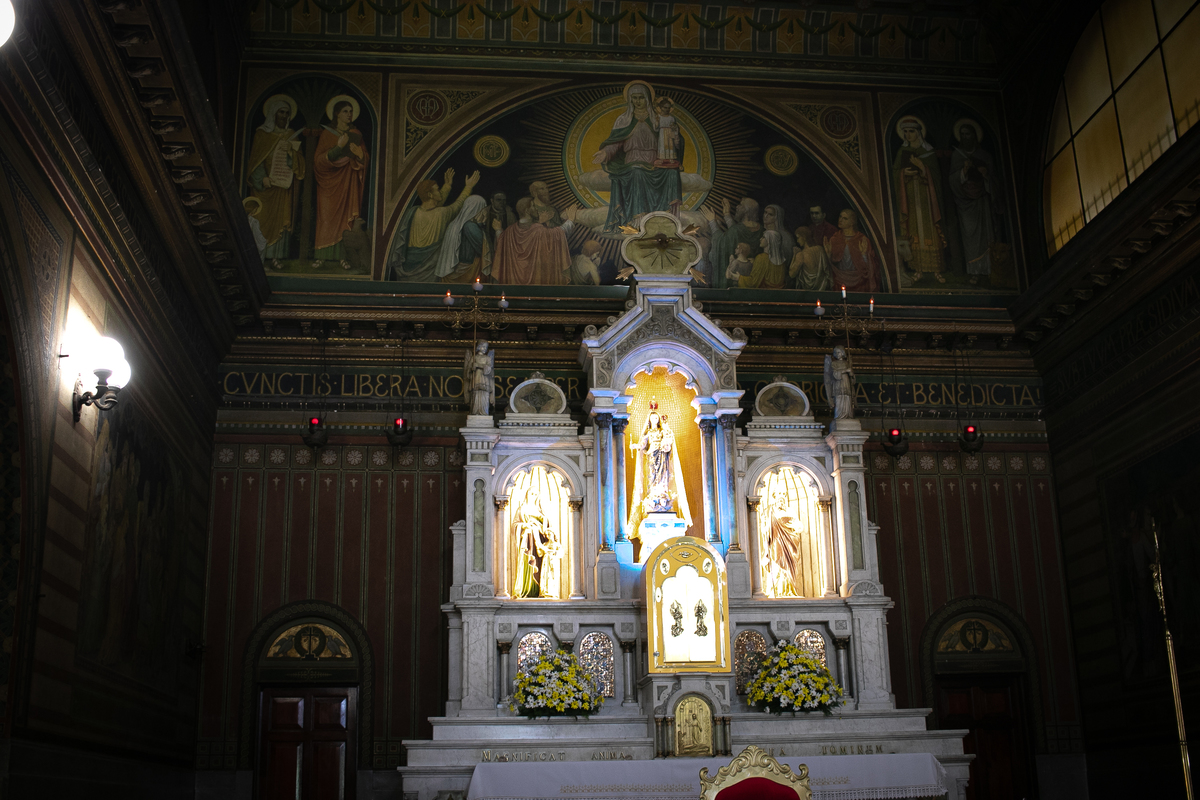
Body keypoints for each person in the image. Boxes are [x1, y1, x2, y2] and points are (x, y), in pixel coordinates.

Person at [592, 81, 682, 229]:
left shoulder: (657, 118)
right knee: (637, 171)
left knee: (672, 173)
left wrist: (675, 136)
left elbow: (672, 141)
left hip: (656, 161)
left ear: (647, 98)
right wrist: (605, 152)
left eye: (641, 97)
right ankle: (638, 222)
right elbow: (616, 142)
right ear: (630, 99)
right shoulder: (623, 120)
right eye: (634, 98)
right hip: (632, 161)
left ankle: (669, 221)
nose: (638, 101)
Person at [388, 168, 481, 281]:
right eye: (437, 190)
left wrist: (447, 185)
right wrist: (468, 187)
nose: (439, 192)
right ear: (430, 195)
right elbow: (458, 205)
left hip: (407, 268)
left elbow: (433, 205)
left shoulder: (412, 211)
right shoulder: (441, 214)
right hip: (428, 270)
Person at [246, 95, 304, 265]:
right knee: (262, 219)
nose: (284, 116)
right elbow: (255, 161)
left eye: (287, 113)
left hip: (282, 186)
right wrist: (262, 178)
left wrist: (291, 153)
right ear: (273, 114)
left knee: (281, 220)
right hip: (264, 187)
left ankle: (276, 258)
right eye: (281, 112)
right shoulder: (262, 134)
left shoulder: (291, 135)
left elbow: (300, 164)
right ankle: (260, 258)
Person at [313, 96, 370, 269]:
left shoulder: (356, 134)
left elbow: (365, 159)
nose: (349, 114)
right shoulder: (327, 134)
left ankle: (343, 257)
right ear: (336, 114)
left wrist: (359, 154)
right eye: (345, 111)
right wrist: (338, 147)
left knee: (346, 220)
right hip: (329, 184)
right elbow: (319, 161)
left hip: (348, 183)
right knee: (326, 219)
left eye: (351, 111)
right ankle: (321, 256)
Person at [893, 115, 946, 283]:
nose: (908, 135)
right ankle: (919, 270)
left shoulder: (928, 151)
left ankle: (936, 271)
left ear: (918, 132)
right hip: (909, 197)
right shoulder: (902, 152)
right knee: (914, 232)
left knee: (930, 232)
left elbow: (936, 177)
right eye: (905, 132)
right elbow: (895, 174)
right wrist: (903, 174)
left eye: (911, 131)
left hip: (926, 199)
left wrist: (922, 167)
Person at [627, 400, 691, 537]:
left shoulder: (663, 432)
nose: (655, 419)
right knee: (652, 478)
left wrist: (666, 435)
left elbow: (669, 441)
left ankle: (662, 495)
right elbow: (642, 445)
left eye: (656, 418)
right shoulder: (647, 434)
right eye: (652, 418)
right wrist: (634, 446)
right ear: (649, 420)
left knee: (663, 478)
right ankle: (653, 497)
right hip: (651, 458)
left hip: (662, 458)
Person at [949, 119, 1001, 285]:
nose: (965, 137)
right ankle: (975, 273)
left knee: (987, 237)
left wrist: (985, 175)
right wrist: (963, 171)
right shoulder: (958, 156)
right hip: (966, 204)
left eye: (968, 134)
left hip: (983, 203)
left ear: (974, 135)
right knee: (970, 240)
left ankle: (990, 271)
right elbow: (953, 180)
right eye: (962, 134)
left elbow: (995, 182)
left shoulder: (985, 156)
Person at [491, 197, 572, 285]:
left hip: (514, 284)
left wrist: (498, 230)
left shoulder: (510, 231)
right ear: (527, 211)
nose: (536, 208)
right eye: (533, 206)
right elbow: (559, 234)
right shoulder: (539, 230)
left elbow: (502, 243)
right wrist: (571, 220)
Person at [703, 197, 763, 289]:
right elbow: (736, 234)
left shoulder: (736, 230)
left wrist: (712, 221)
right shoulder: (760, 230)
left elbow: (721, 242)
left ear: (746, 210)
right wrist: (726, 214)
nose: (737, 207)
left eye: (740, 205)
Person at [434, 194, 490, 283]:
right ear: (477, 208)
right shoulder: (470, 226)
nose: (484, 211)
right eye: (483, 208)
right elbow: (482, 249)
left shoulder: (454, 224)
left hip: (455, 270)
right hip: (469, 269)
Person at [767, 490, 809, 597]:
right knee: (778, 565)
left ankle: (790, 590)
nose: (781, 502)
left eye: (782, 500)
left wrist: (795, 527)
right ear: (775, 501)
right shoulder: (771, 512)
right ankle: (777, 590)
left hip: (790, 542)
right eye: (779, 500)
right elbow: (766, 529)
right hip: (777, 542)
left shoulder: (790, 511)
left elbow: (799, 526)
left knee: (790, 567)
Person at [825, 209, 879, 292]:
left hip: (859, 282)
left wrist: (864, 255)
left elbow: (869, 266)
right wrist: (828, 255)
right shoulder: (834, 239)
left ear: (852, 222)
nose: (841, 220)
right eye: (840, 217)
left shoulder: (862, 240)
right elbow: (831, 266)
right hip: (839, 280)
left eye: (845, 218)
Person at [789, 226, 832, 290]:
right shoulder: (820, 249)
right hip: (823, 288)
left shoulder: (801, 255)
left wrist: (794, 256)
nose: (797, 241)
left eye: (798, 238)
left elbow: (791, 274)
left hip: (808, 291)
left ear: (804, 237)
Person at [463, 340, 494, 416]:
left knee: (484, 394)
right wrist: (471, 368)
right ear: (479, 346)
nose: (484, 348)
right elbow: (468, 370)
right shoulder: (474, 357)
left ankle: (484, 412)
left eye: (486, 347)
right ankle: (475, 411)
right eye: (483, 346)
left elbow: (489, 369)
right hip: (476, 379)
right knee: (476, 394)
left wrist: (478, 365)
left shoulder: (487, 358)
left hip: (484, 380)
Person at [824, 345, 855, 419]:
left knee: (847, 397)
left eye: (839, 352)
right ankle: (839, 416)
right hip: (838, 383)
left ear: (843, 353)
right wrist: (845, 370)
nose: (838, 354)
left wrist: (851, 373)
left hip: (846, 382)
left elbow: (852, 379)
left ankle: (848, 415)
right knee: (839, 398)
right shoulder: (834, 363)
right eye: (836, 353)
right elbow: (834, 374)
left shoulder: (847, 363)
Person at [654, 96, 680, 167]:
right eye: (665, 107)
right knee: (662, 145)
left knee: (670, 146)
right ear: (661, 107)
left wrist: (674, 128)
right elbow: (656, 128)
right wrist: (656, 122)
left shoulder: (671, 118)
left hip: (670, 133)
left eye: (668, 108)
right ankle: (662, 159)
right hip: (662, 133)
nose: (667, 109)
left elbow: (674, 126)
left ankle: (671, 158)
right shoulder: (658, 117)